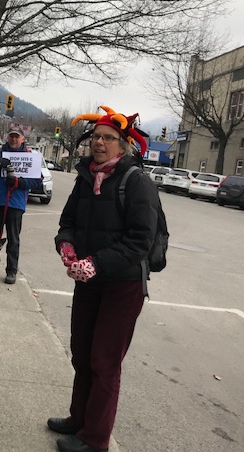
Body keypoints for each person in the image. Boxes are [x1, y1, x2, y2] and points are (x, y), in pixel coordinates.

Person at [49, 107, 158, 452]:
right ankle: (78, 419)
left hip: (123, 286)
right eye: (95, 136)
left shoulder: (136, 182)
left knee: (104, 362)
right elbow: (67, 221)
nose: (99, 142)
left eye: (108, 137)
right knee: (81, 354)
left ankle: (95, 440)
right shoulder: (85, 177)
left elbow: (141, 240)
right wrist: (66, 247)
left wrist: (96, 263)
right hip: (88, 280)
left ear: (124, 145)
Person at [0, 128, 42, 284]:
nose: (14, 139)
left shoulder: (29, 157)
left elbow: (37, 179)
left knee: (13, 239)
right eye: (11, 136)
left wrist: (19, 183)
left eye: (17, 137)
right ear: (8, 138)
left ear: (22, 139)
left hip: (16, 203)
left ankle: (11, 271)